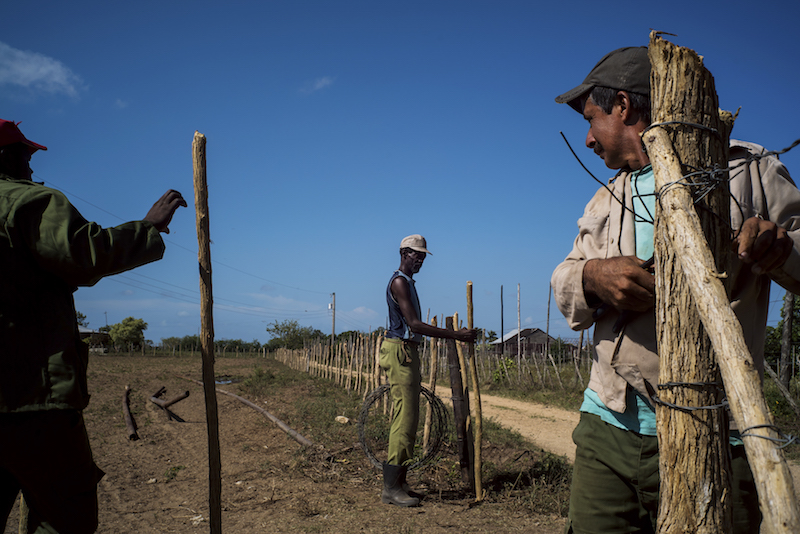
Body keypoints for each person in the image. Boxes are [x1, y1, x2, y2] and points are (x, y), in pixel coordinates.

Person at [550, 47, 800, 533]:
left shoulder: (744, 169)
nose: (587, 137)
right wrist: (592, 277)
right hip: (609, 429)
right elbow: (564, 277)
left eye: (592, 118)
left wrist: (780, 246)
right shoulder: (607, 197)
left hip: (718, 433)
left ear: (624, 106)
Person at [0, 119, 187, 533]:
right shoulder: (26, 202)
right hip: (31, 400)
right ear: (4, 157)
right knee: (61, 514)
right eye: (24, 156)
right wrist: (148, 227)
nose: (31, 168)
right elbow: (85, 254)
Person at [379, 234, 477, 506]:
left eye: (422, 255)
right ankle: (390, 489)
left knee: (409, 420)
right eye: (415, 254)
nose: (420, 259)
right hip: (400, 351)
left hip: (406, 351)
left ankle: (399, 483)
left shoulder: (408, 282)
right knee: (404, 419)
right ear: (403, 253)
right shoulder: (399, 282)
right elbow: (415, 324)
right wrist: (456, 335)